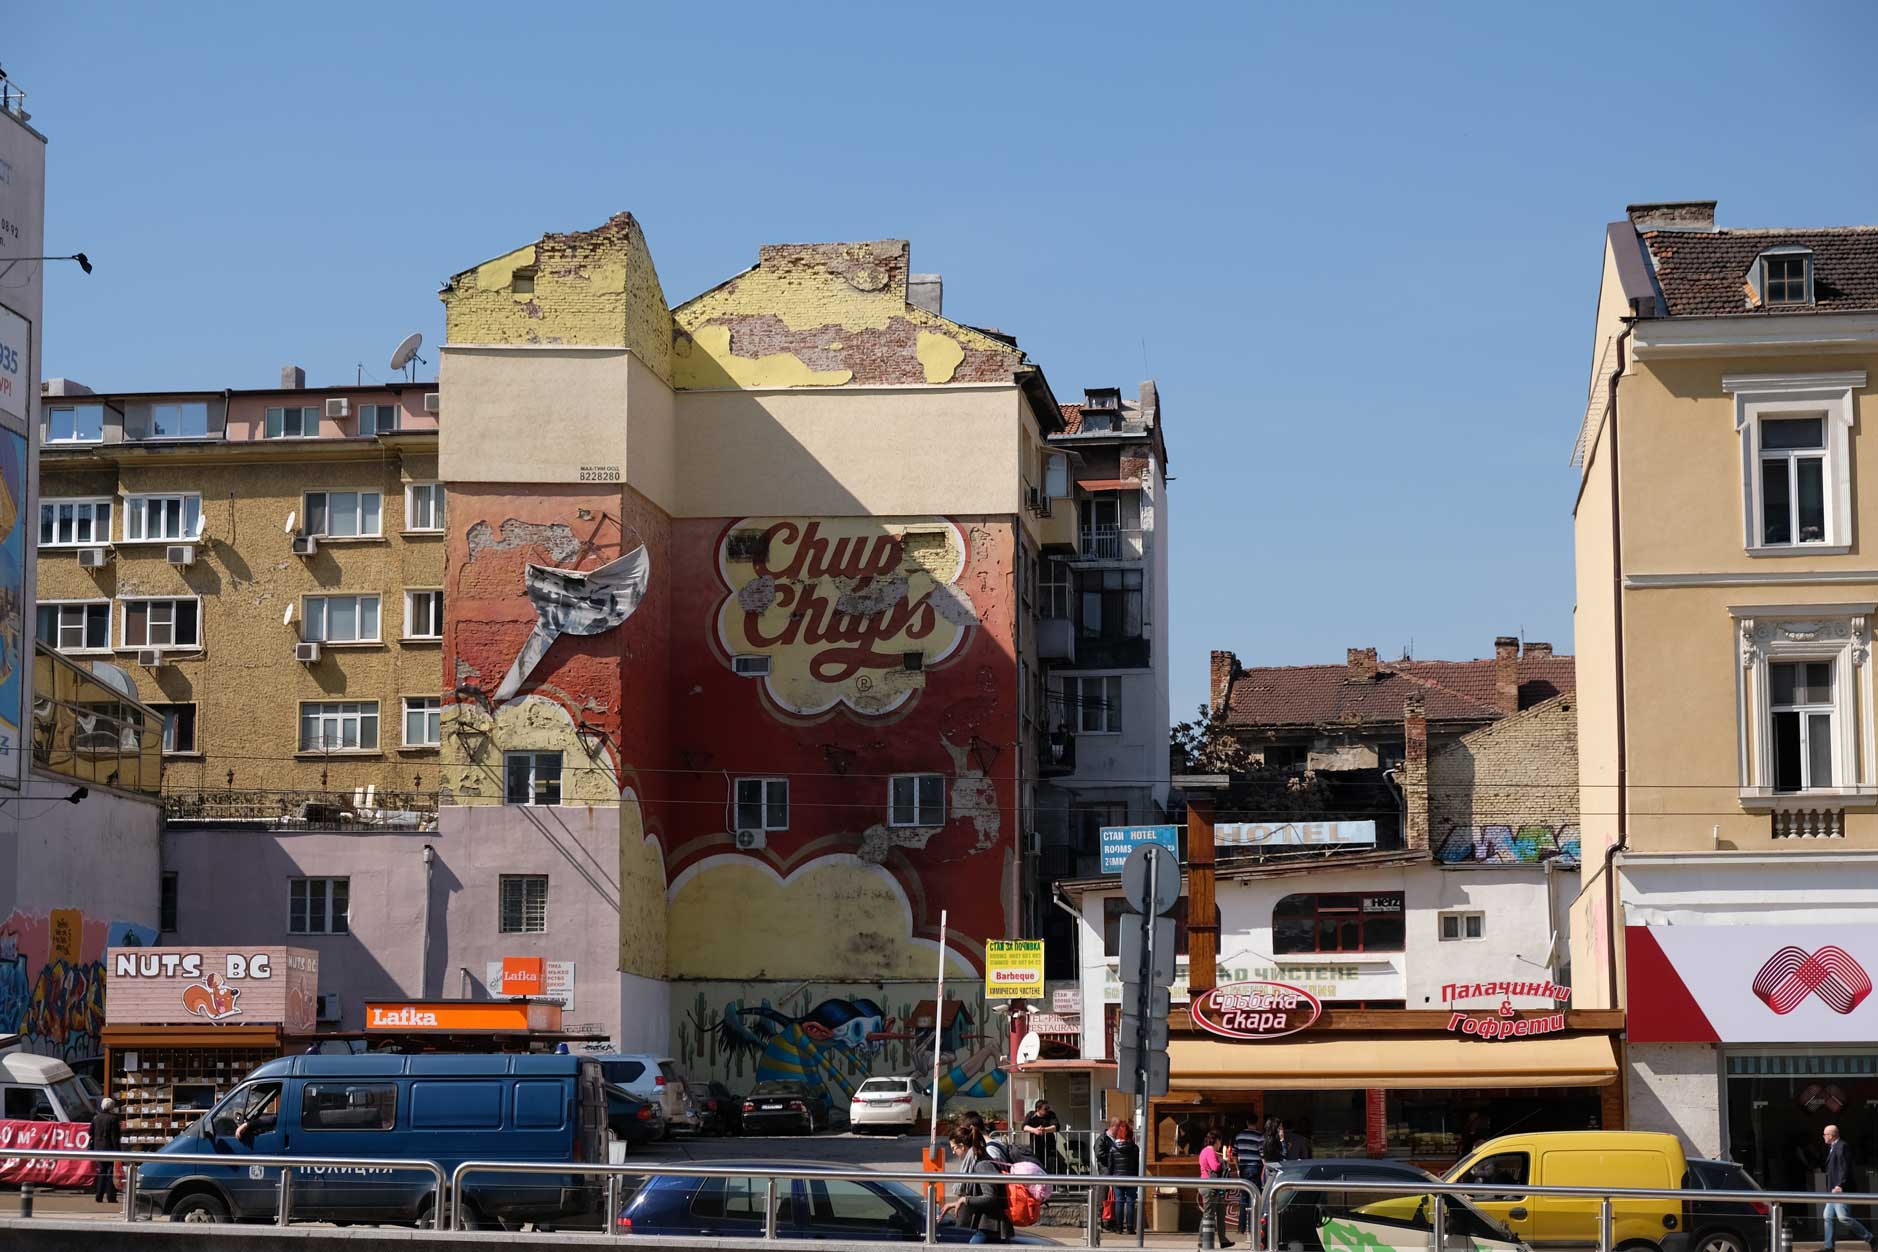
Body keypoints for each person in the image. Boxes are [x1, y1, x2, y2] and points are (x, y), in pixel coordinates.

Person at [941, 1124, 1013, 1244]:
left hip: (991, 1228)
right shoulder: (976, 1162)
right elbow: (980, 1194)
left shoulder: (982, 1165)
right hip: (987, 1227)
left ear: (962, 1147)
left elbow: (990, 1197)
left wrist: (965, 1199)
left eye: (953, 1148)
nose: (953, 1152)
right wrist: (955, 1203)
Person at [1823, 1125, 1874, 1252]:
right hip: (1832, 1191)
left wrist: (1840, 1185)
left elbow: (1844, 1167)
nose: (1823, 1137)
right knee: (1827, 1217)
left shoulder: (1842, 1146)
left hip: (1840, 1189)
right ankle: (1829, 1247)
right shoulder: (1833, 1147)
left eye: (1825, 1134)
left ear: (1831, 1135)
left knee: (1843, 1218)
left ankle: (1871, 1238)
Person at [1231, 1114, 1267, 1237]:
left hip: (1243, 1168)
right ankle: (1252, 1227)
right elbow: (1262, 1154)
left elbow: (1234, 1154)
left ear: (1247, 1122)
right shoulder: (1260, 1136)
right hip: (1256, 1168)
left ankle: (1241, 1228)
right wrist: (1266, 1167)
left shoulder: (1239, 1136)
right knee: (1255, 1197)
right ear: (1256, 1123)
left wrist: (1237, 1167)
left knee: (1243, 1198)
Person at [1198, 1129, 1235, 1248]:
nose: (1220, 1144)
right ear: (1217, 1140)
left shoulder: (1205, 1151)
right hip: (1210, 1187)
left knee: (1220, 1213)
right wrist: (1223, 1162)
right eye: (1220, 1141)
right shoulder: (1210, 1152)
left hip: (1212, 1186)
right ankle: (1201, 1241)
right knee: (1208, 1215)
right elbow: (1215, 1167)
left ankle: (1223, 1240)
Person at [1106, 1118, 1141, 1236]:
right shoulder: (1135, 1148)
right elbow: (1137, 1165)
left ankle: (1119, 1228)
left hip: (1117, 1178)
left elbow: (1111, 1166)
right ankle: (1130, 1228)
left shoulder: (1113, 1148)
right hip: (1131, 1177)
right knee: (1131, 1202)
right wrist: (1137, 1177)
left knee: (1119, 1202)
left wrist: (1110, 1179)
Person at [90, 1096, 122, 1204]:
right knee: (109, 1172)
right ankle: (111, 1197)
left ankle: (98, 1196)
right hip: (109, 1148)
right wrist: (118, 1152)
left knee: (101, 1171)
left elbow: (91, 1133)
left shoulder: (96, 1118)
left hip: (98, 1148)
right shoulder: (113, 1119)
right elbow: (115, 1138)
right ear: (112, 1107)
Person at [1024, 1099, 1062, 1173]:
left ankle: (1052, 1183)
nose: (1047, 1110)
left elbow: (1056, 1126)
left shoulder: (1051, 1114)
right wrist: (1034, 1130)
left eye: (1048, 1108)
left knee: (1051, 1167)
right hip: (1036, 1147)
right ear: (1038, 1109)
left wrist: (1044, 1130)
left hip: (1049, 1147)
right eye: (1045, 1109)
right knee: (1037, 1167)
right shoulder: (1031, 1115)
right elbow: (1024, 1127)